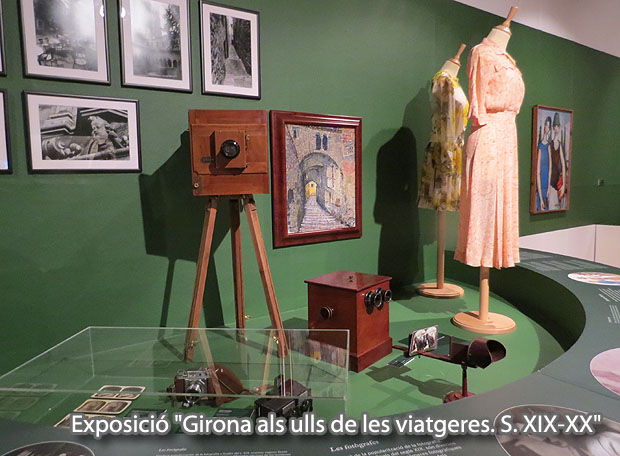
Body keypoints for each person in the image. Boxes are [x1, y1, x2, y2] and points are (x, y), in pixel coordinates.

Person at [548, 113, 567, 210]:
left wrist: (563, 184)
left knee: (558, 205)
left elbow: (563, 165)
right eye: (555, 126)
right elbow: (549, 165)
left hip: (557, 181)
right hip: (551, 180)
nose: (556, 128)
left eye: (557, 126)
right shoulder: (550, 145)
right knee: (552, 205)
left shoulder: (560, 145)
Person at [535, 116, 552, 211]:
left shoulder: (548, 146)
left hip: (546, 184)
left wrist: (549, 186)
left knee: (546, 207)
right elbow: (538, 172)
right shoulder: (540, 147)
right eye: (546, 125)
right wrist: (541, 198)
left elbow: (550, 168)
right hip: (540, 183)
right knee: (540, 206)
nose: (547, 128)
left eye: (548, 126)